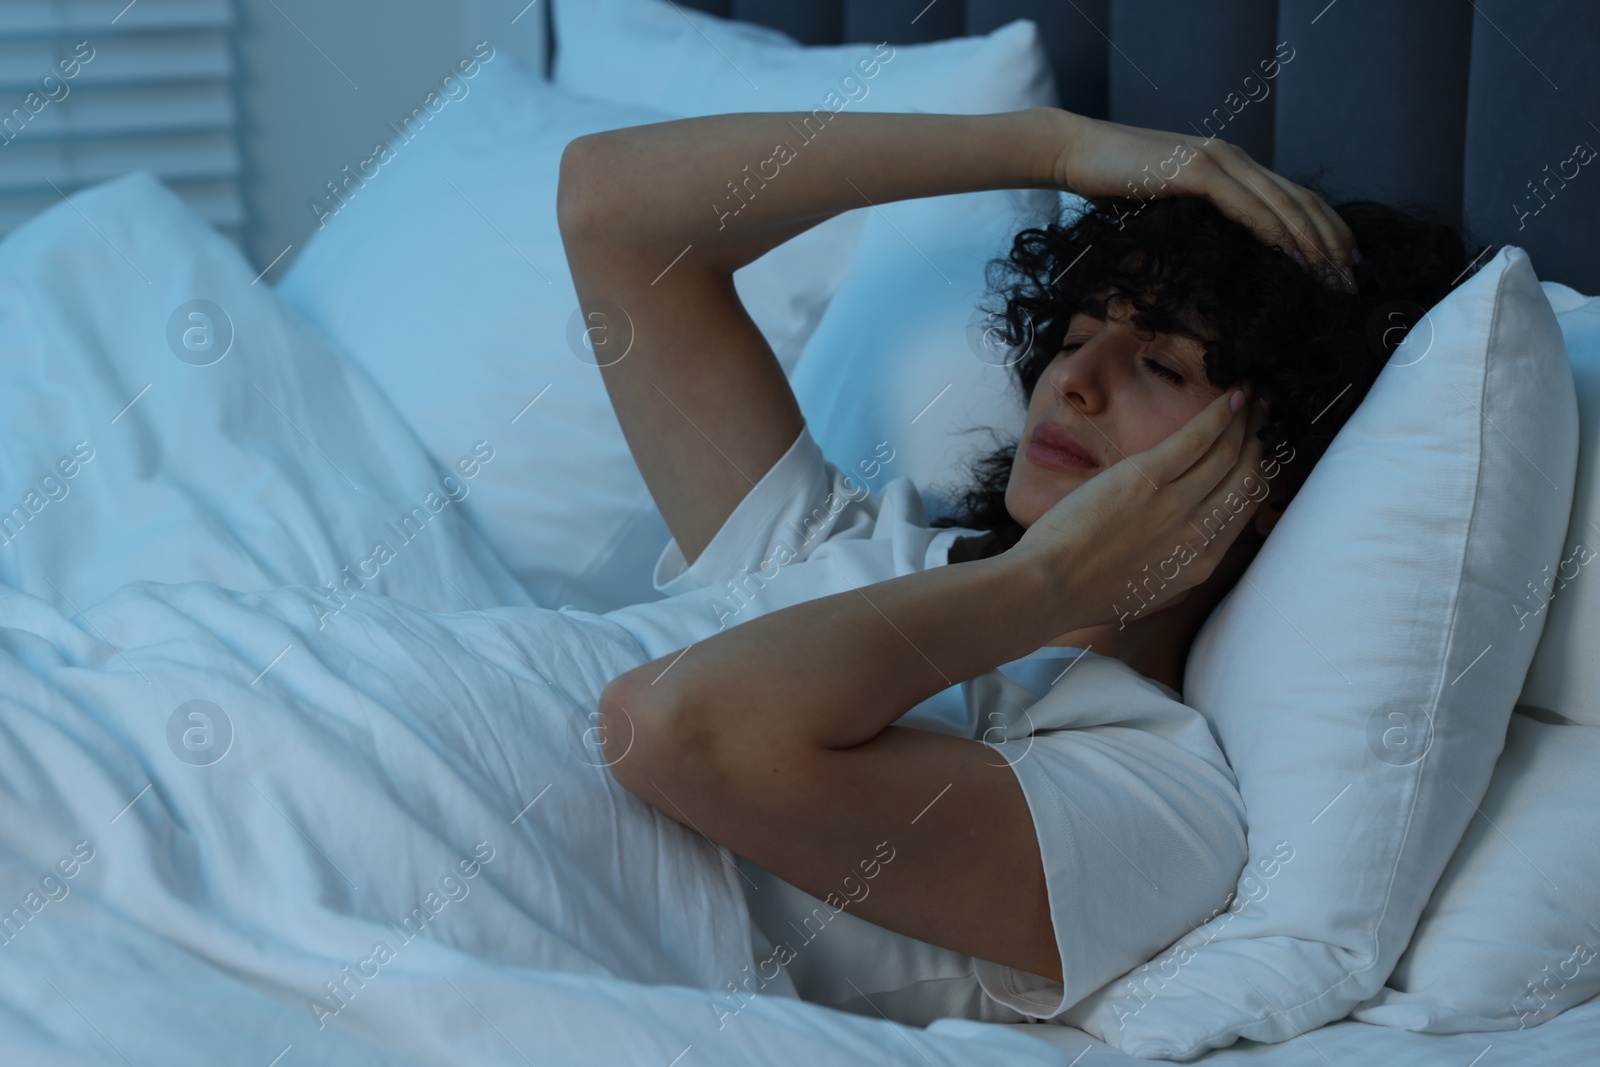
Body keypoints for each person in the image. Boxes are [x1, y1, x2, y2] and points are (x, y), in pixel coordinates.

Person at [560, 106, 1474, 1024]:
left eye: (1159, 363)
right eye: (1075, 337)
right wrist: (1051, 147)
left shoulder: (1160, 801)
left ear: (1274, 482)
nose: (1074, 381)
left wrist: (1052, 583)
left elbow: (675, 725)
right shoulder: (845, 549)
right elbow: (610, 208)